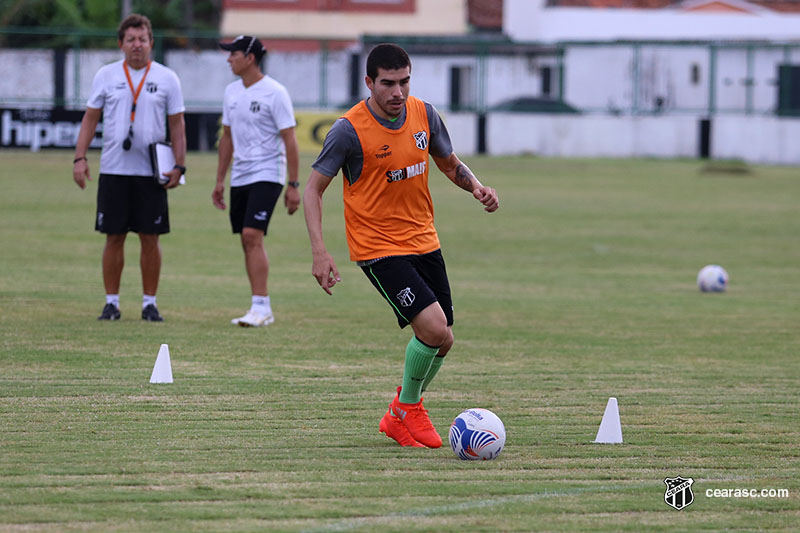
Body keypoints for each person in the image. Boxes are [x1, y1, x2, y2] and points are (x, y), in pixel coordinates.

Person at [303, 43, 499, 448]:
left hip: (423, 238)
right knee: (430, 327)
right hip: (377, 247)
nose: (398, 92)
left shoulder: (424, 113)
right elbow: (312, 190)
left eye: (404, 81)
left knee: (444, 338)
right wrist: (319, 251)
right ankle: (408, 408)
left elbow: (449, 163)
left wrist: (477, 188)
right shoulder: (348, 131)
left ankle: (398, 414)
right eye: (388, 83)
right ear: (369, 82)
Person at [73, 13, 186, 322]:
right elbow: (90, 119)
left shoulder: (167, 78)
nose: (137, 45)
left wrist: (180, 165)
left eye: (143, 39)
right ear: (121, 44)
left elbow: (177, 125)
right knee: (113, 236)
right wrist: (79, 158)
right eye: (131, 39)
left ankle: (150, 303)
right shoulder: (106, 75)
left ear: (151, 42)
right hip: (113, 169)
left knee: (151, 238)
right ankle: (112, 303)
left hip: (152, 173)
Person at [213, 36, 300, 327]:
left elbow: (290, 140)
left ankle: (261, 307)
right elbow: (226, 138)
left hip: (268, 173)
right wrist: (219, 180)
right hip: (240, 175)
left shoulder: (275, 93)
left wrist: (294, 184)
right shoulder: (230, 92)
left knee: (252, 235)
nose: (228, 59)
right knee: (246, 240)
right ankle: (259, 306)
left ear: (250, 57)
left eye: (233, 54)